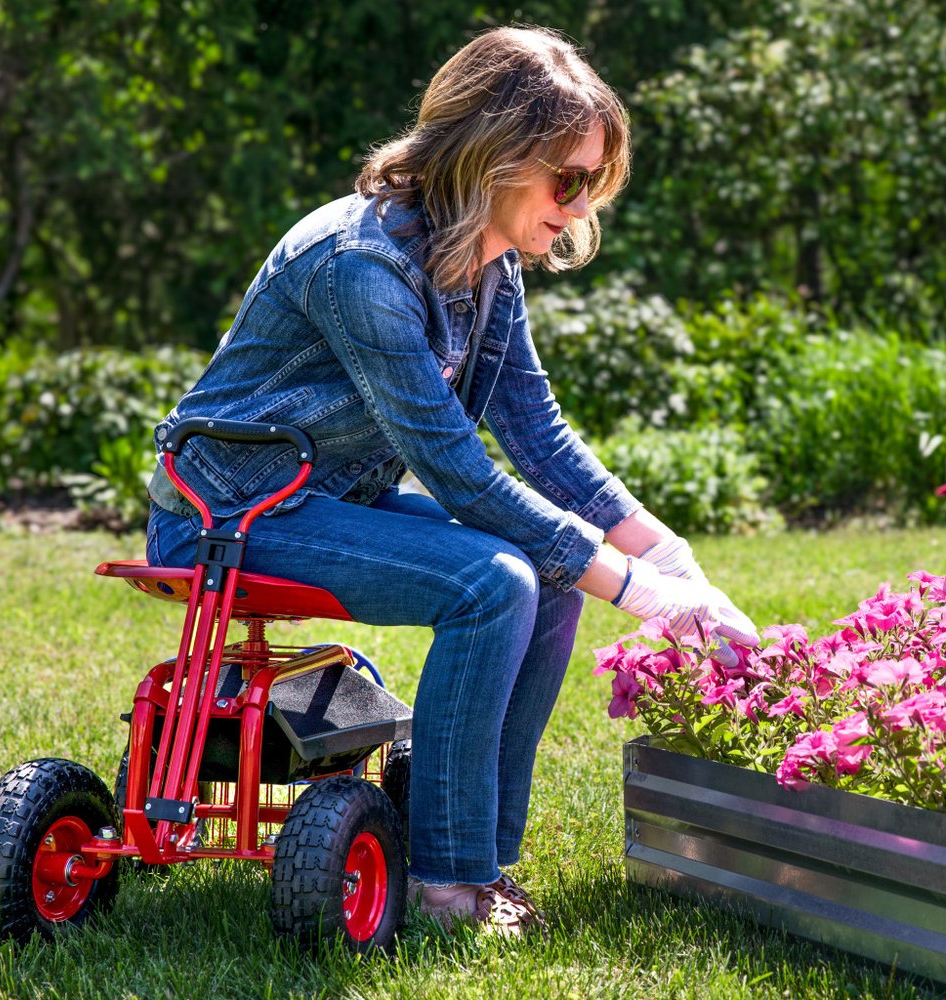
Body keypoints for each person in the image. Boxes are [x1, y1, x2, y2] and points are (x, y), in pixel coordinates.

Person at [146, 25, 758, 936]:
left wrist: (669, 555)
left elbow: (539, 438)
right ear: (493, 154)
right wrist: (643, 596)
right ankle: (447, 884)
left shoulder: (487, 262)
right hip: (226, 514)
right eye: (567, 177)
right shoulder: (362, 265)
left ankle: (481, 857)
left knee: (549, 573)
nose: (580, 203)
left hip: (320, 498)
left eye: (591, 181)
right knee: (497, 577)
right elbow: (461, 476)